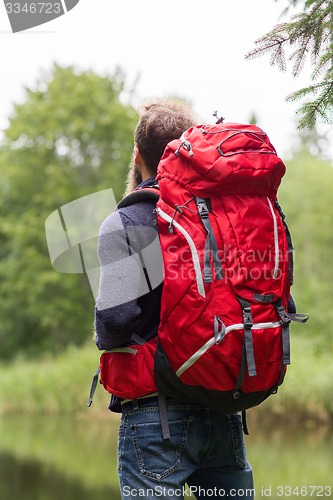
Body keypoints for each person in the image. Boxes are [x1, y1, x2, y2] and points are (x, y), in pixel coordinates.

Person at [94, 99, 254, 499]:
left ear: (137, 155)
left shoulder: (126, 221)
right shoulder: (216, 217)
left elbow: (114, 323)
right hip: (222, 406)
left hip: (155, 414)